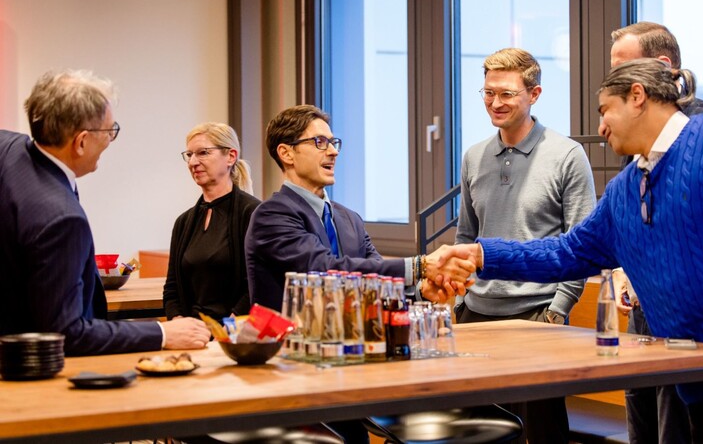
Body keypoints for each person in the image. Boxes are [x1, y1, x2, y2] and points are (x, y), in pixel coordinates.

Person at [444, 58, 703, 442]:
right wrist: (481, 255)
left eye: (605, 111)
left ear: (637, 96)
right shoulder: (624, 191)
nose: (601, 128)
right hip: (701, 387)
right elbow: (566, 253)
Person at [0, 70, 210, 355]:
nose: (111, 138)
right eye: (110, 131)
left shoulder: (8, 147)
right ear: (81, 142)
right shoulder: (61, 218)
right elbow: (67, 334)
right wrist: (162, 333)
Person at [454, 48, 596, 443]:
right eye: (488, 93)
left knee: (542, 432)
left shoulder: (567, 155)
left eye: (506, 94)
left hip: (537, 317)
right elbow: (466, 235)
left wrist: (557, 311)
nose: (495, 103)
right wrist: (460, 301)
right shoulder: (473, 157)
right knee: (477, 433)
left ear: (534, 94)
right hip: (476, 315)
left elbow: (581, 244)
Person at [610, 21, 703, 444]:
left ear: (662, 67)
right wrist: (625, 268)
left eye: (622, 70)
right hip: (644, 307)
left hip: (692, 321)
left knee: (673, 423)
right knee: (640, 409)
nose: (613, 82)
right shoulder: (636, 129)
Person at [246, 105, 475, 313]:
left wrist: (421, 292)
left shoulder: (350, 218)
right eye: (320, 142)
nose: (333, 152)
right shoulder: (271, 216)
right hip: (290, 344)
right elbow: (324, 271)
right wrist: (420, 266)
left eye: (333, 143)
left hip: (352, 342)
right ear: (286, 153)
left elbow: (376, 281)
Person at [163, 123, 260, 322]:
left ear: (230, 156)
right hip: (192, 331)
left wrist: (227, 329)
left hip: (233, 331)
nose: (193, 162)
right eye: (189, 155)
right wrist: (179, 323)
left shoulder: (253, 213)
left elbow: (256, 284)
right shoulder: (183, 222)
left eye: (203, 153)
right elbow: (172, 288)